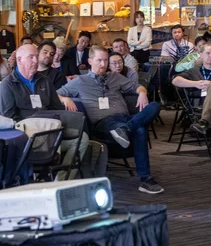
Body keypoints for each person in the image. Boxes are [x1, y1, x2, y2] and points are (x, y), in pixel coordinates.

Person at [57, 46, 164, 194]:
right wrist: (65, 99)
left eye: (105, 60)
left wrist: (142, 93)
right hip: (104, 123)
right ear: (90, 61)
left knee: (154, 105)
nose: (103, 64)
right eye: (99, 60)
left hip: (124, 119)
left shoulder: (115, 77)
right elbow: (56, 94)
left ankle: (125, 129)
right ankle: (145, 179)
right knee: (139, 130)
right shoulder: (80, 81)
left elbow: (137, 86)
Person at [0, 43, 69, 121]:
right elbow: (9, 118)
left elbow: (57, 109)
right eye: (31, 57)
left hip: (49, 126)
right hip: (24, 129)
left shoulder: (45, 81)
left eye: (37, 56)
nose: (35, 61)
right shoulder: (8, 85)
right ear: (19, 60)